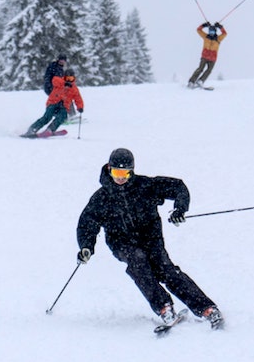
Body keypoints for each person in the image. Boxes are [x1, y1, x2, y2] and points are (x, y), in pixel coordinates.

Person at [75, 148, 224, 329]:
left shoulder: (145, 186)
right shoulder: (102, 198)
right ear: (109, 169)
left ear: (132, 171)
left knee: (165, 269)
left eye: (125, 173)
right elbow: (87, 224)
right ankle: (164, 308)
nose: (120, 177)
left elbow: (178, 187)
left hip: (150, 238)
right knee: (138, 262)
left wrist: (180, 209)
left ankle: (207, 308)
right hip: (121, 242)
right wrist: (86, 247)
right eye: (116, 172)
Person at [23, 69, 84, 137]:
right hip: (53, 103)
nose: (69, 80)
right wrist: (64, 83)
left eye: (71, 78)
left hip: (64, 106)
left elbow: (78, 99)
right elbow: (55, 80)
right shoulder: (59, 82)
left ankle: (50, 129)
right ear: (64, 77)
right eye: (67, 78)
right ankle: (33, 129)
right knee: (47, 117)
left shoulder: (74, 89)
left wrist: (80, 107)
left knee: (63, 116)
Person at [187, 22, 227, 88]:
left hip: (213, 58)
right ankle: (191, 81)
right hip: (205, 56)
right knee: (200, 69)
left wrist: (220, 27)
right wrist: (204, 25)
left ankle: (200, 81)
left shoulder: (218, 39)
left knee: (209, 70)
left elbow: (225, 34)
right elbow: (198, 30)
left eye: (212, 31)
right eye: (210, 31)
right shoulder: (205, 36)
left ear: (215, 32)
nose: (211, 33)